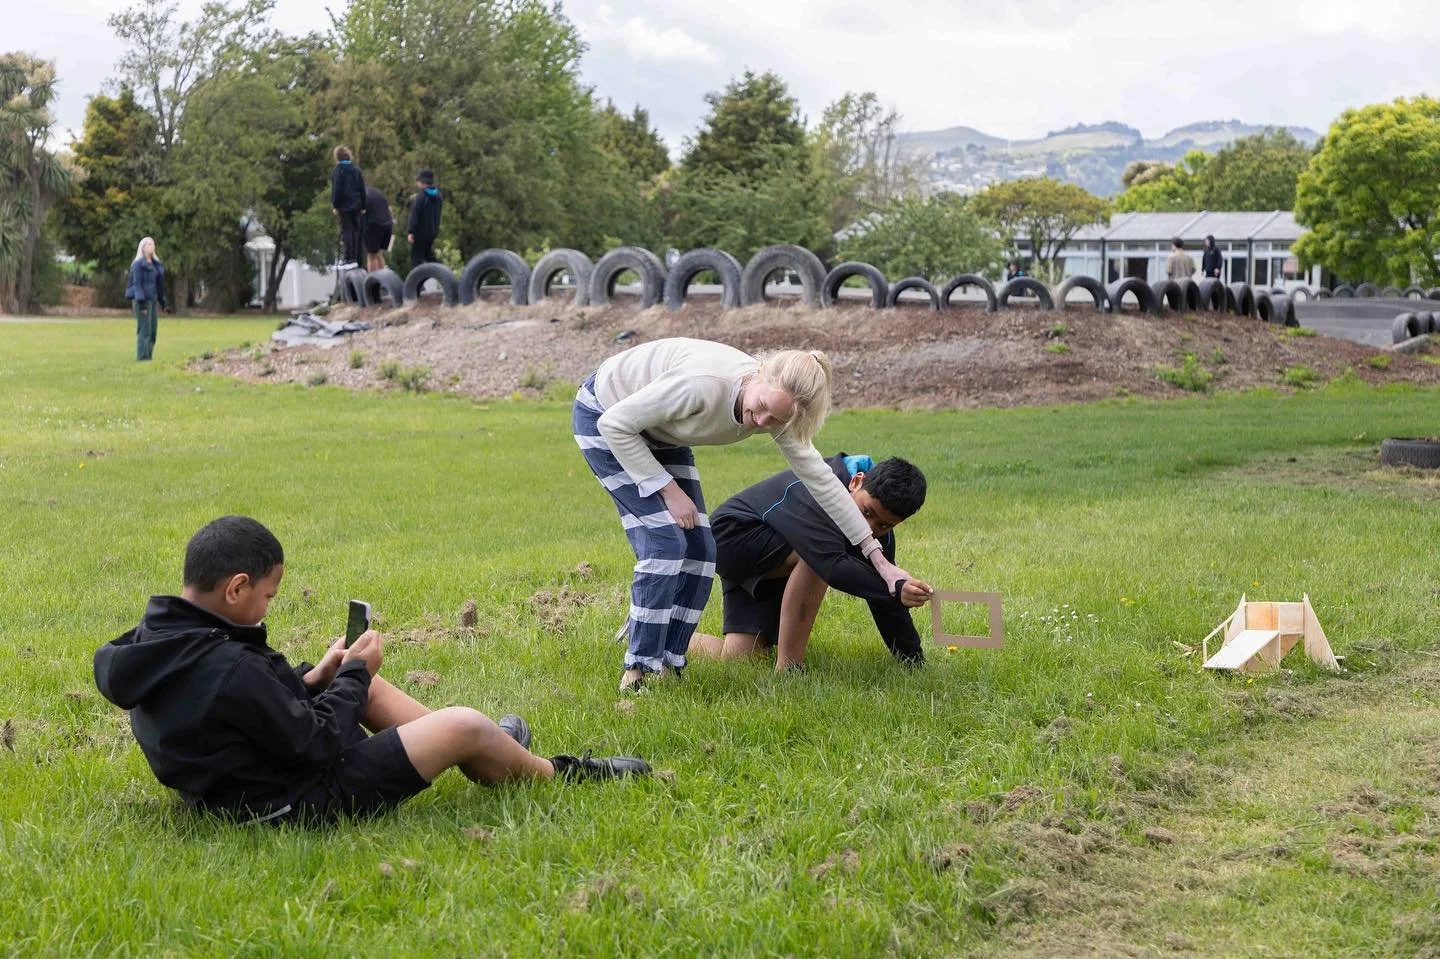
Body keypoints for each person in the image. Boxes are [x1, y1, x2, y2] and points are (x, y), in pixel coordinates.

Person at [93, 516, 650, 826]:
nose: (268, 605)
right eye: (268, 594)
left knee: (355, 682)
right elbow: (312, 745)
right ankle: (551, 770)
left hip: (244, 775)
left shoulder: (162, 637)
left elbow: (249, 711)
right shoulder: (224, 665)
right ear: (235, 587)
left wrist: (321, 678)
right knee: (458, 722)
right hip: (279, 803)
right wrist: (355, 674)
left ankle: (488, 752)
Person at [572, 337, 926, 693]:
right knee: (665, 543)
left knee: (701, 549)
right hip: (605, 414)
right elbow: (616, 424)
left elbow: (822, 479)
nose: (760, 421)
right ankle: (637, 673)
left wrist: (881, 564)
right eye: (760, 408)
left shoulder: (778, 408)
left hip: (658, 431)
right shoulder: (704, 386)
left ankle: (667, 658)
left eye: (775, 419)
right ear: (759, 374)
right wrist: (668, 489)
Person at [691, 454, 931, 671]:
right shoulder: (821, 486)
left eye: (884, 525)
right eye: (866, 512)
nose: (870, 528)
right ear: (856, 482)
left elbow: (885, 595)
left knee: (741, 659)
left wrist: (913, 661)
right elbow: (831, 565)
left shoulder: (880, 535)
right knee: (819, 554)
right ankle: (790, 668)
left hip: (779, 560)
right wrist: (895, 591)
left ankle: (664, 636)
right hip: (734, 543)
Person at [124, 236, 166, 361]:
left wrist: (163, 302)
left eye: (152, 244)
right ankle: (142, 357)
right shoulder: (137, 265)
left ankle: (149, 355)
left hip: (153, 300)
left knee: (152, 331)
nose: (151, 246)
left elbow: (159, 286)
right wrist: (141, 304)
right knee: (144, 329)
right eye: (148, 244)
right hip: (142, 301)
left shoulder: (155, 266)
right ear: (142, 248)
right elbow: (137, 285)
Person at [330, 146, 366, 270]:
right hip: (357, 205)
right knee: (355, 231)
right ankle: (356, 257)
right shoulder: (356, 170)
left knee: (346, 231)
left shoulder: (338, 170)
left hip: (344, 205)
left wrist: (335, 205)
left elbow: (337, 189)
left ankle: (349, 257)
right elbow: (362, 189)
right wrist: (363, 205)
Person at [407, 169, 443, 266]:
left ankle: (416, 280)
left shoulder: (421, 196)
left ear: (423, 182)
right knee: (429, 256)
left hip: (419, 234)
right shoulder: (438, 196)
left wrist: (411, 231)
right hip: (432, 232)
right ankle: (443, 272)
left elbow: (415, 214)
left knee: (416, 259)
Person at [362, 185, 393, 273]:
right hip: (388, 223)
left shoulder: (360, 195)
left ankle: (373, 282)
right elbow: (389, 208)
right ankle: (383, 281)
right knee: (379, 253)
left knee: (371, 256)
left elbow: (360, 212)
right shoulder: (375, 191)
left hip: (374, 225)